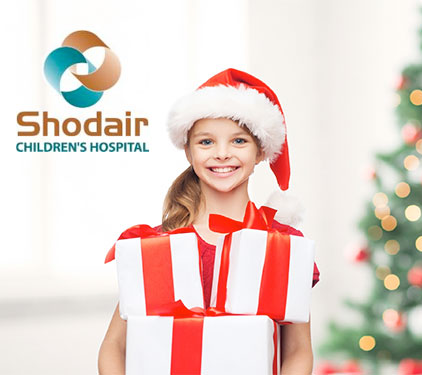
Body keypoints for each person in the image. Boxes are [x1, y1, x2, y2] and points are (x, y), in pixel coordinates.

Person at [98, 68, 320, 374]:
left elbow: (297, 350)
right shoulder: (157, 246)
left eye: (239, 141)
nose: (222, 154)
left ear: (260, 153)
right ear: (188, 152)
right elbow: (114, 347)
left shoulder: (281, 245)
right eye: (206, 142)